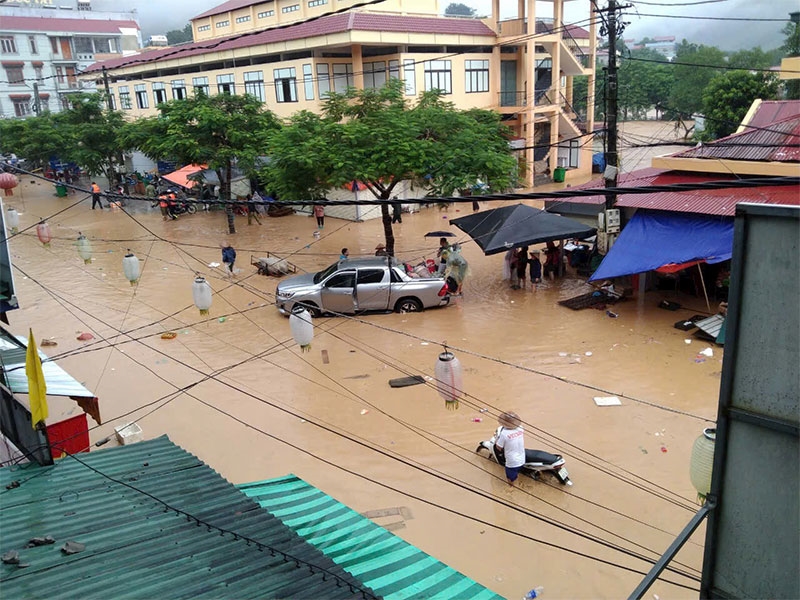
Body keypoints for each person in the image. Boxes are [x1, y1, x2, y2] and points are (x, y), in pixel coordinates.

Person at [495, 411, 525, 486]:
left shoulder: (504, 434)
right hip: (522, 458)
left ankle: (512, 487)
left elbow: (499, 447)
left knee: (510, 478)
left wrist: (496, 441)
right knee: (516, 472)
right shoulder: (521, 428)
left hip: (512, 462)